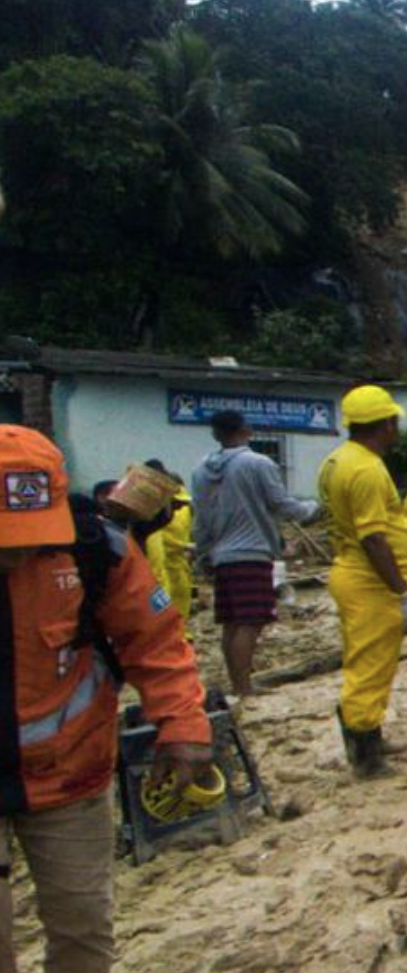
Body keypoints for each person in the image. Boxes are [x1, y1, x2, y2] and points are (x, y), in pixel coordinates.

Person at [0, 426, 215, 973]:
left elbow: (156, 642)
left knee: (84, 931)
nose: (16, 549)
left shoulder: (96, 552)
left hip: (69, 776)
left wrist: (183, 726)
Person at [317, 385, 407, 778]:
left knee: (371, 662)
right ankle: (365, 755)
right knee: (369, 667)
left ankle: (370, 732)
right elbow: (373, 538)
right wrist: (404, 594)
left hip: (354, 572)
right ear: (386, 424)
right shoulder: (365, 468)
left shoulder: (338, 459)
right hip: (368, 580)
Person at [190, 409, 322, 698]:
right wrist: (312, 509)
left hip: (221, 555)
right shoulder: (257, 463)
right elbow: (280, 504)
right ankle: (244, 688)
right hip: (251, 552)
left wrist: (203, 554)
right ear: (246, 430)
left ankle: (239, 682)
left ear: (215, 434)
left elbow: (199, 518)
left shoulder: (201, 471)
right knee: (251, 621)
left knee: (231, 623)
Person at [143, 475, 195, 625]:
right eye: (175, 503)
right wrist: (183, 545)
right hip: (160, 571)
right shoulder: (148, 523)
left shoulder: (184, 509)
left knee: (180, 604)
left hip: (178, 565)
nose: (179, 507)